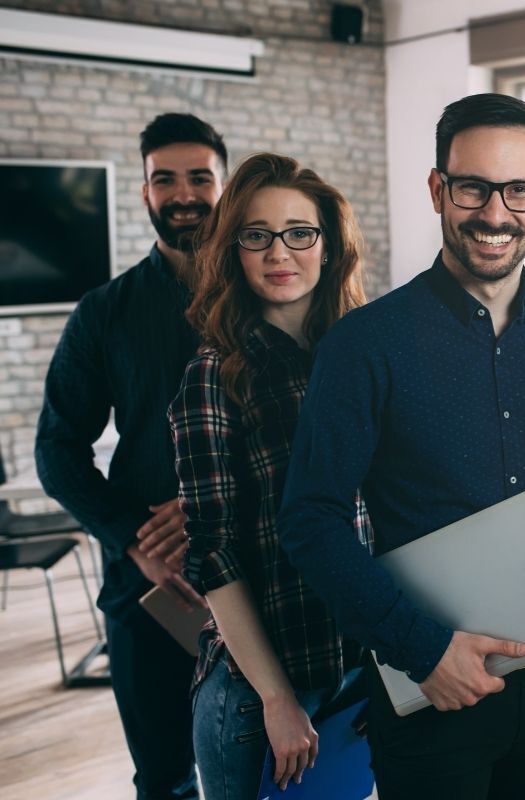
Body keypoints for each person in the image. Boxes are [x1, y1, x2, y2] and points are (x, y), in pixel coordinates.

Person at [275, 93, 525, 799]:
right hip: (429, 689)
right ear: (438, 188)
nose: (496, 214)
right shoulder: (363, 345)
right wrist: (423, 650)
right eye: (473, 187)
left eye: (520, 190)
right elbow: (309, 519)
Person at [35, 112, 226, 800]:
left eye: (199, 177)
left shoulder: (274, 295)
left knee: (281, 764)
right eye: (164, 179)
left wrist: (214, 500)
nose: (183, 193)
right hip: (152, 591)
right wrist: (134, 540)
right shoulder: (103, 313)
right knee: (167, 778)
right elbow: (57, 450)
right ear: (143, 193)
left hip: (266, 572)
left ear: (225, 187)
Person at [167, 153, 371, 798]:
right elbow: (213, 553)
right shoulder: (213, 375)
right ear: (234, 250)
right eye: (256, 235)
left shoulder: (360, 358)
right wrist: (278, 699)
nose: (279, 252)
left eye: (299, 232)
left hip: (360, 665)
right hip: (263, 695)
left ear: (328, 246)